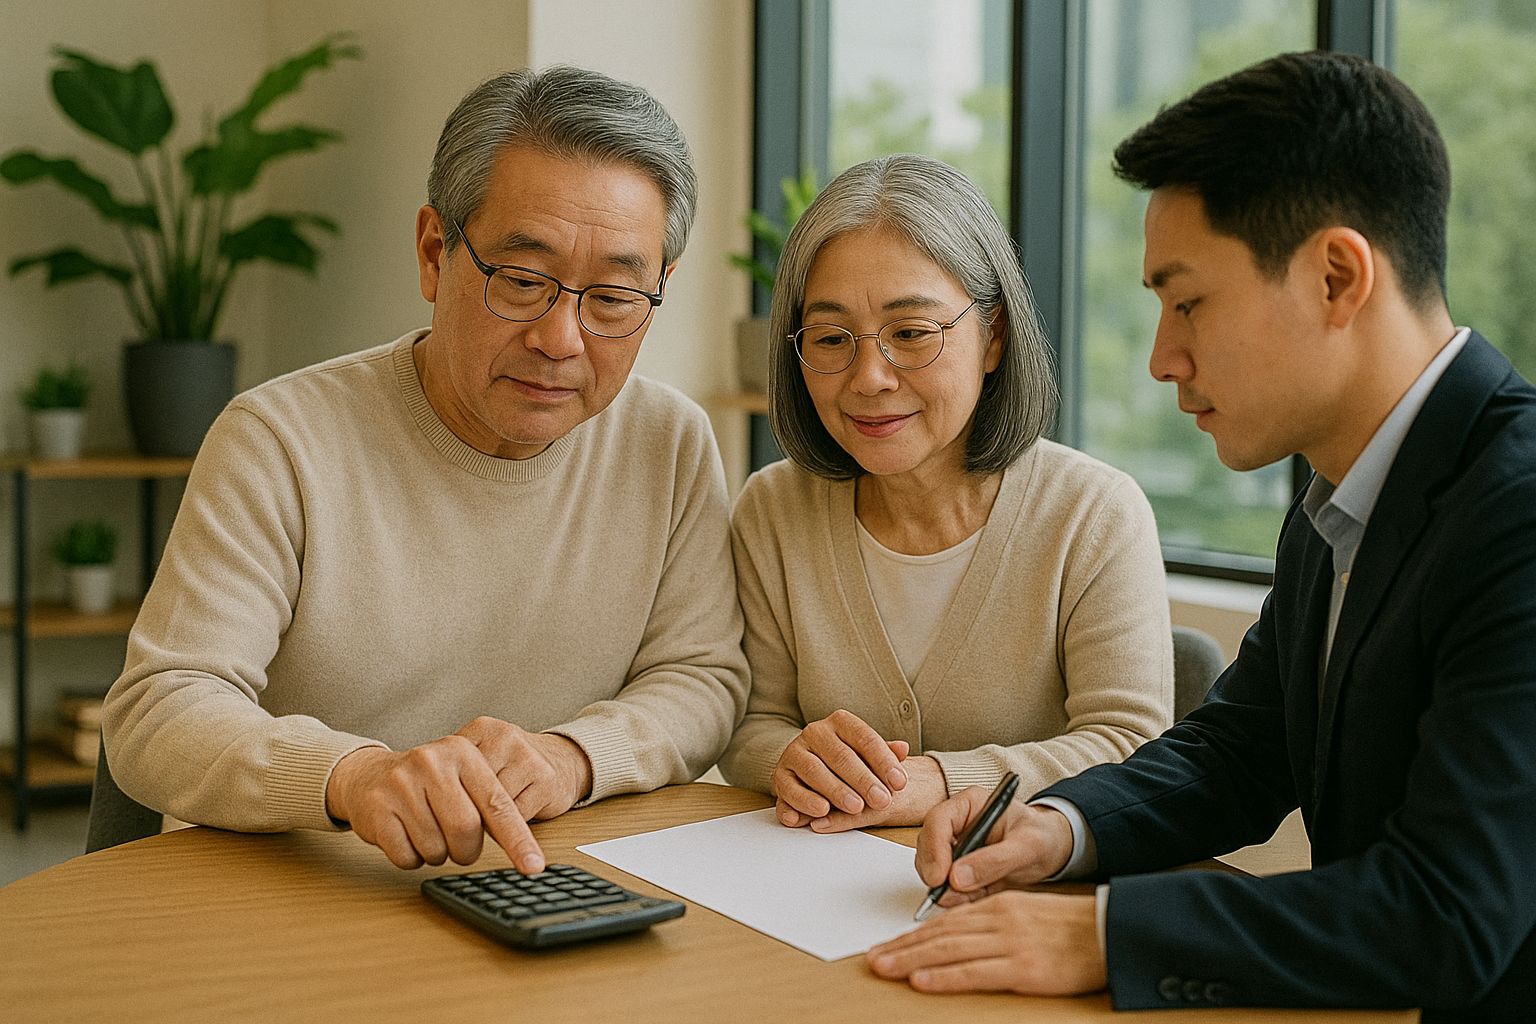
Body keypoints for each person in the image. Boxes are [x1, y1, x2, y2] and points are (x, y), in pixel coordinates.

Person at [866, 52, 1536, 1021]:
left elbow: (1444, 912)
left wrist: (1101, 932)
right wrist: (1057, 827)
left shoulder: (1515, 512)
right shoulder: (1344, 493)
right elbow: (1242, 750)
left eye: (1188, 301)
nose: (1160, 358)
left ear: (1337, 276)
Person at [102, 66, 748, 875]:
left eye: (615, 297)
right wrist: (354, 776)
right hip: (294, 894)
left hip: (538, 886)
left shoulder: (670, 442)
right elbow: (157, 713)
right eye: (522, 280)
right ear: (435, 253)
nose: (563, 337)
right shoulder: (279, 441)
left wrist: (569, 757)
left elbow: (702, 677)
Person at [717, 154, 1172, 832]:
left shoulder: (1095, 514)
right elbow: (751, 723)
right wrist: (792, 756)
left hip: (1022, 901)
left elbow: (1128, 743)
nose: (869, 377)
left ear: (993, 337)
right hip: (813, 893)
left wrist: (939, 781)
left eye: (910, 333)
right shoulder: (772, 510)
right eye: (831, 338)